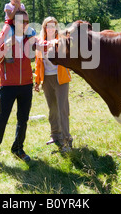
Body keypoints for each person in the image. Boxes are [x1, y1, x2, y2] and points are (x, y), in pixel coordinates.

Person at [0, 10, 36, 166]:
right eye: (22, 21)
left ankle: (18, 149)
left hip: (26, 85)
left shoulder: (29, 36)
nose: (25, 24)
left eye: (27, 22)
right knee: (1, 120)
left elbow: (38, 53)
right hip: (8, 86)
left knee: (23, 120)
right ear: (14, 22)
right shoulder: (6, 34)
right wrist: (7, 45)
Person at [34, 17, 73, 152]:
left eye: (53, 26)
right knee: (52, 108)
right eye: (47, 26)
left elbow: (68, 56)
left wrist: (57, 44)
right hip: (47, 79)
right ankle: (55, 135)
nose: (50, 28)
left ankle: (67, 139)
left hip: (61, 78)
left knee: (63, 108)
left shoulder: (61, 40)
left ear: (56, 27)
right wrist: (37, 81)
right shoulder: (40, 43)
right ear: (44, 28)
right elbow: (38, 63)